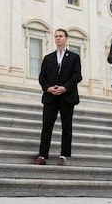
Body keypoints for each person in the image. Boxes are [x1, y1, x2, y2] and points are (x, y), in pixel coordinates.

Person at [35, 28, 82, 167]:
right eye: (56, 36)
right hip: (51, 96)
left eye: (61, 36)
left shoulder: (74, 57)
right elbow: (42, 77)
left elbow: (77, 76)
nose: (58, 38)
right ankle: (42, 155)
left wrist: (65, 88)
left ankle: (63, 155)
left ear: (66, 38)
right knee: (47, 126)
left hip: (67, 96)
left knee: (66, 127)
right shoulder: (48, 58)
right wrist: (48, 88)